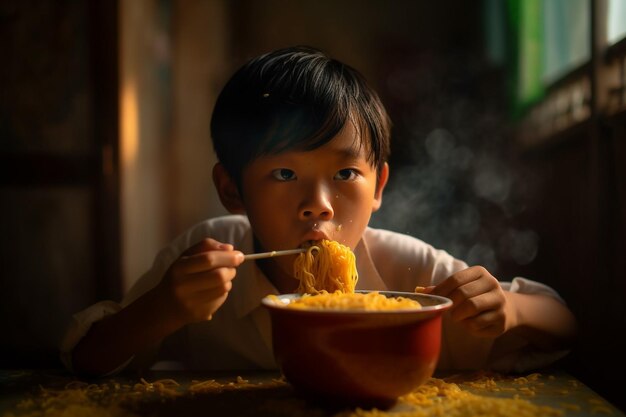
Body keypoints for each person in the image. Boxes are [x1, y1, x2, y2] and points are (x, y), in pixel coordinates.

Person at [61, 46, 577, 376]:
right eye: (284, 175)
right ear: (232, 190)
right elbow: (86, 360)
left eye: (346, 174)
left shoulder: (409, 273)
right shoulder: (206, 256)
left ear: (379, 187)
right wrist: (163, 309)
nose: (319, 205)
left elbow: (563, 324)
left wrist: (511, 310)